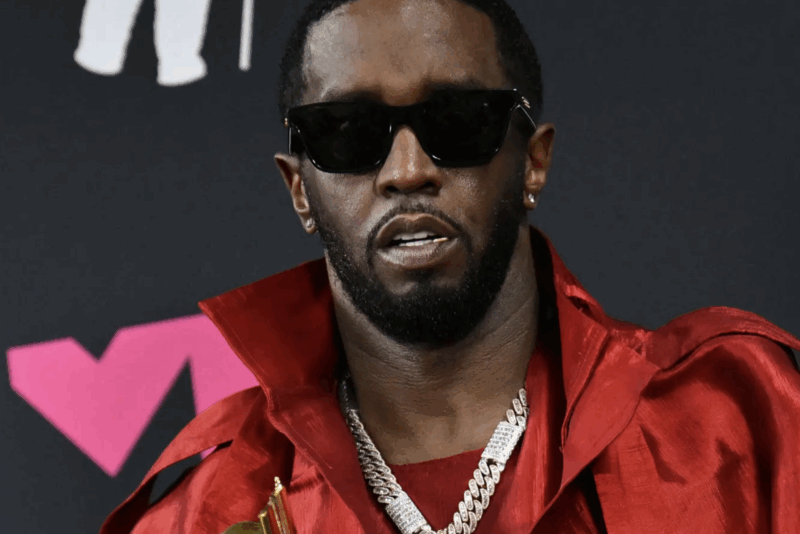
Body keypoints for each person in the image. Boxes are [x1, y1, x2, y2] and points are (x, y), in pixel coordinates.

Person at [99, 0, 800, 532]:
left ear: (534, 160)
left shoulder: (745, 419)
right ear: (298, 189)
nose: (408, 171)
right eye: (350, 133)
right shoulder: (209, 511)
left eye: (459, 123)